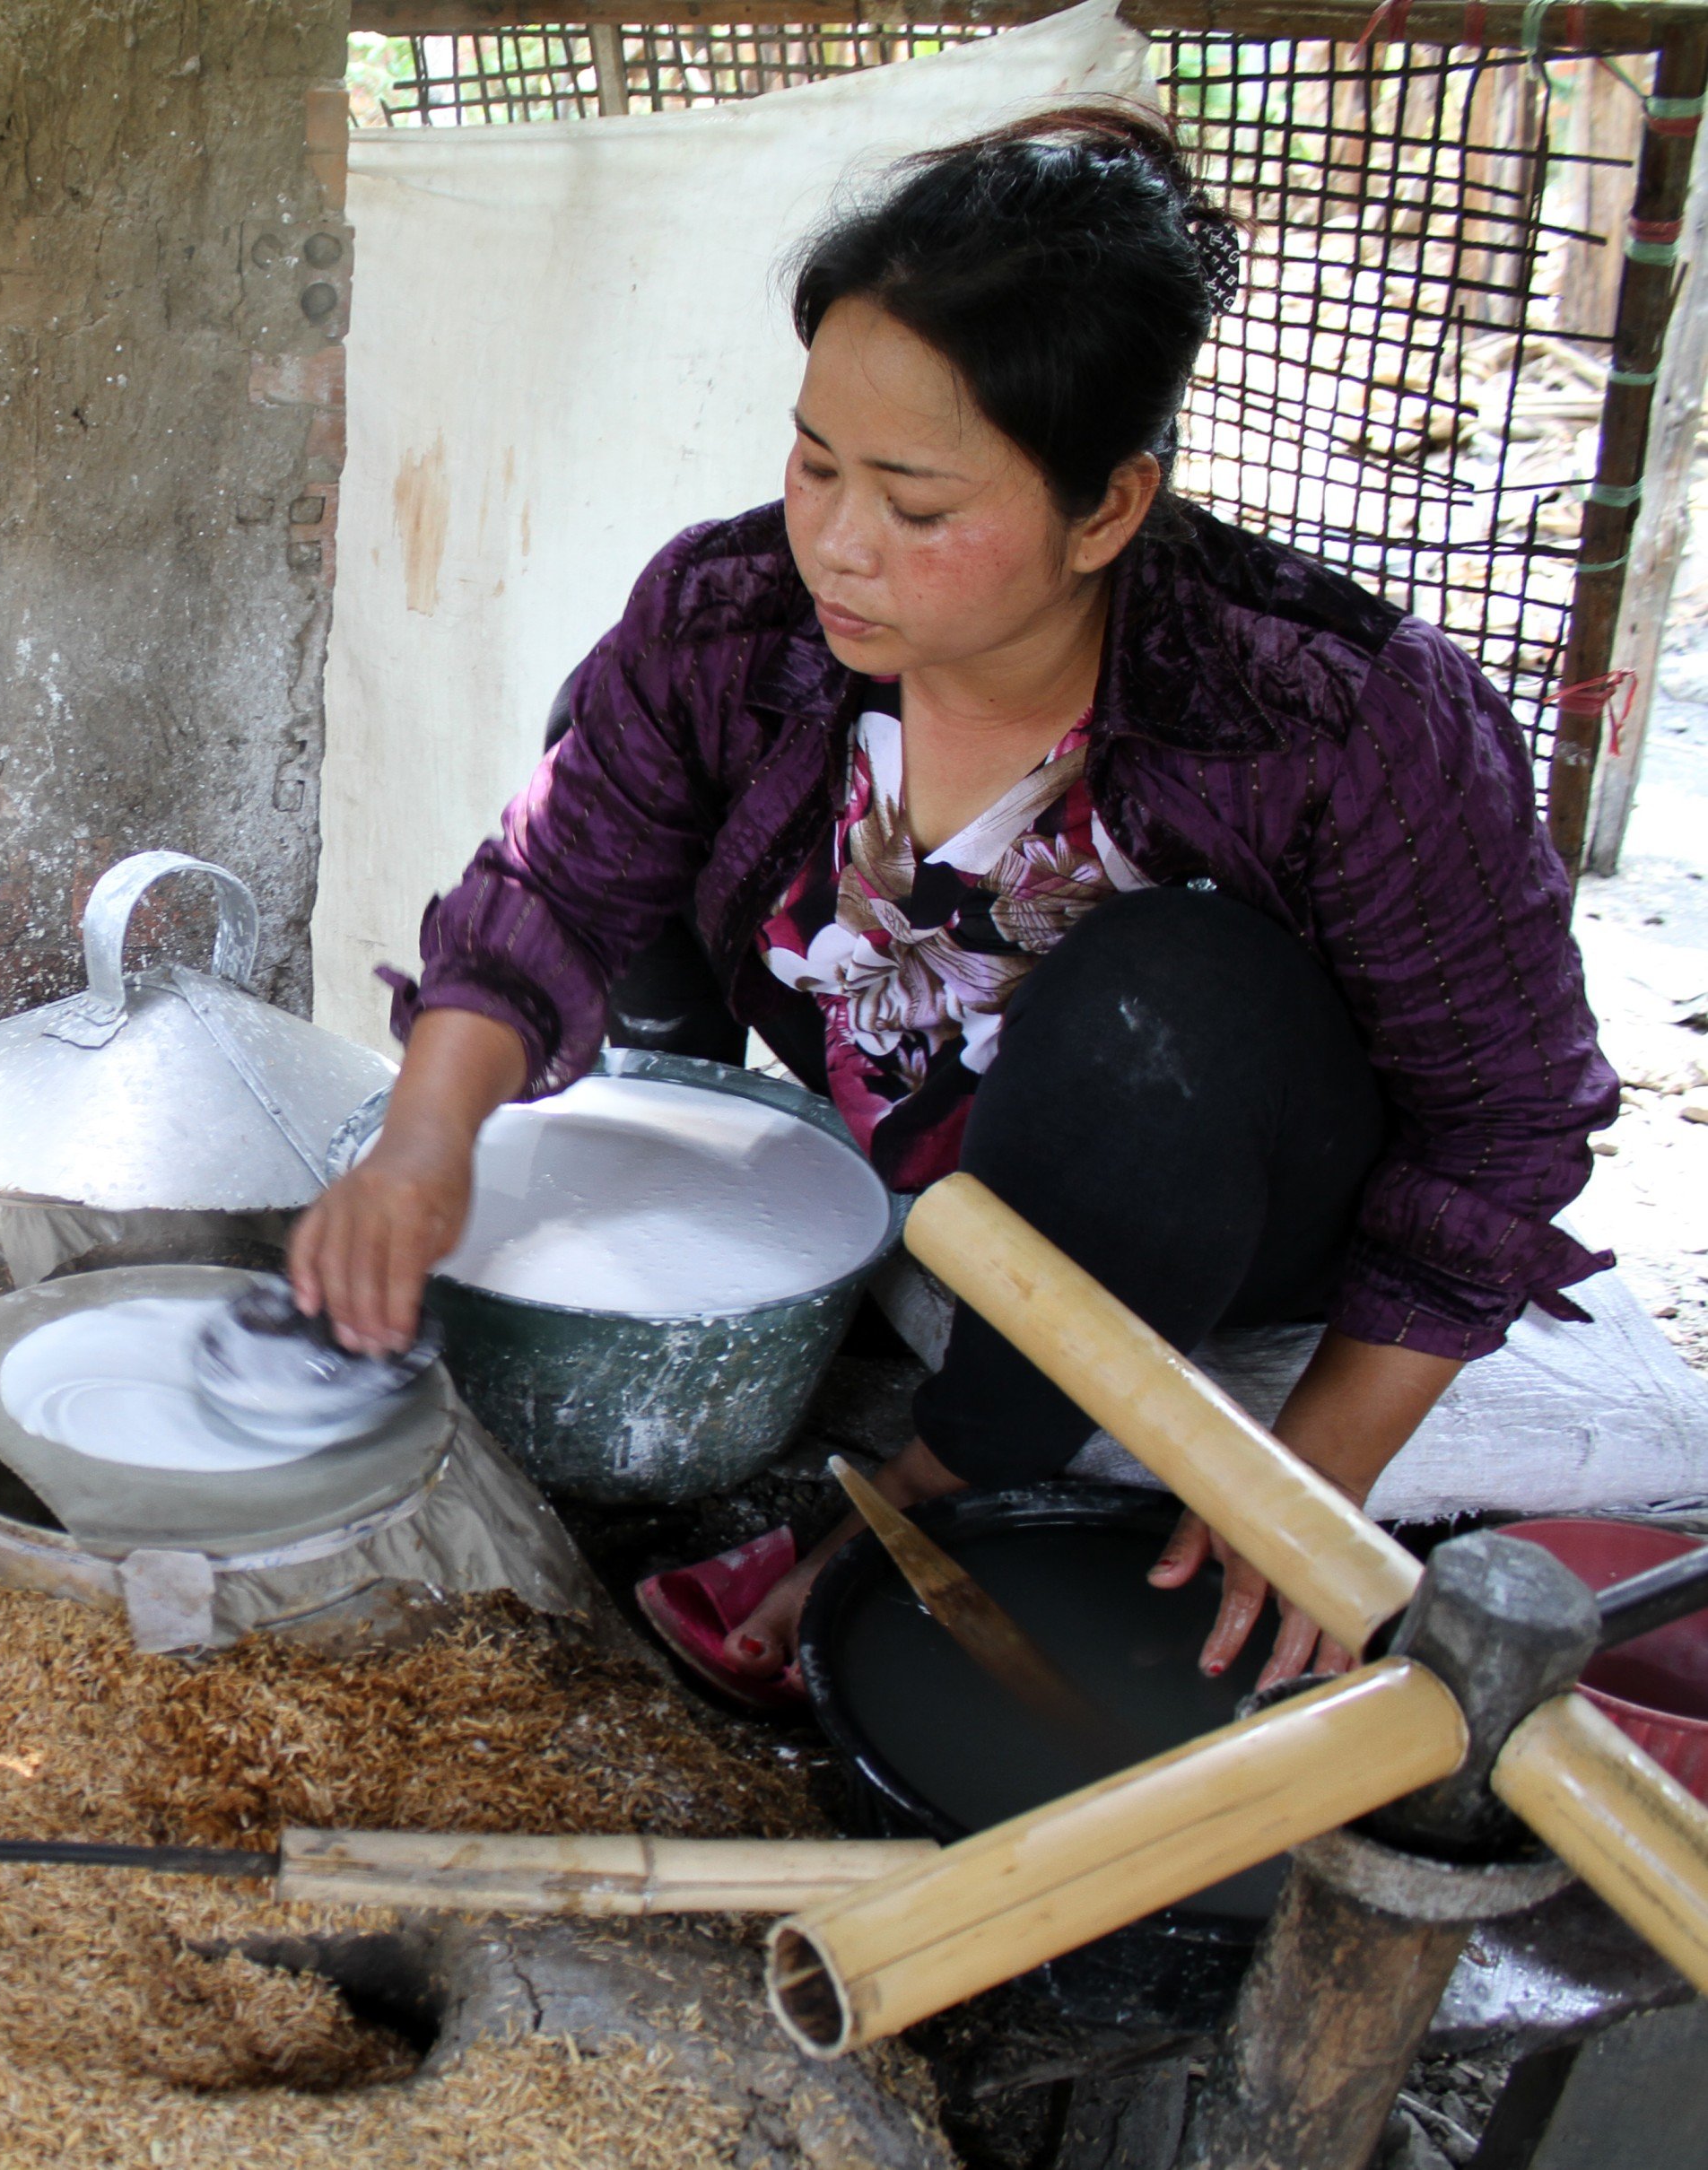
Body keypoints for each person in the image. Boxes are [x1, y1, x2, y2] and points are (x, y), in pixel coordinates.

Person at [284, 103, 1616, 1712]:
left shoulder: (1332, 721)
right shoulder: (746, 618)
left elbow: (1505, 1124)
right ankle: (744, 1189)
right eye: (815, 461)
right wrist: (426, 1139)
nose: (837, 544)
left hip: (1210, 1199)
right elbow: (561, 865)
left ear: (1108, 511)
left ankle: (941, 1480)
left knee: (1152, 1006)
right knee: (621, 713)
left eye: (917, 508)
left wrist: (1308, 1484)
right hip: (924, 1169)